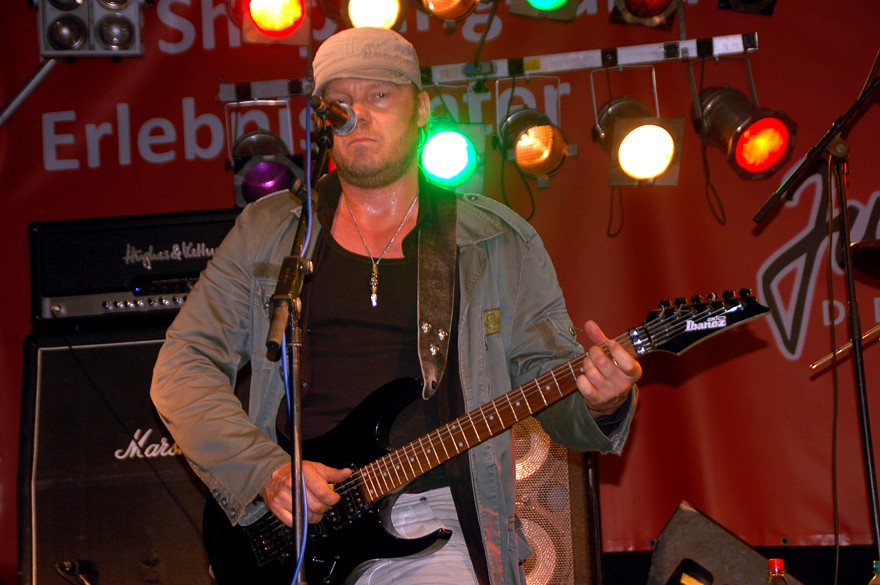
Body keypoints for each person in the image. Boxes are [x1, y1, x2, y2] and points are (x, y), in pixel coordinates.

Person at [150, 26, 641, 585]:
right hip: (286, 522)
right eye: (340, 102)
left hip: (433, 514)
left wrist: (603, 402)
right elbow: (182, 367)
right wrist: (265, 472)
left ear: (422, 109)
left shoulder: (497, 242)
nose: (358, 114)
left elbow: (548, 377)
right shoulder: (269, 232)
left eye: (379, 95)